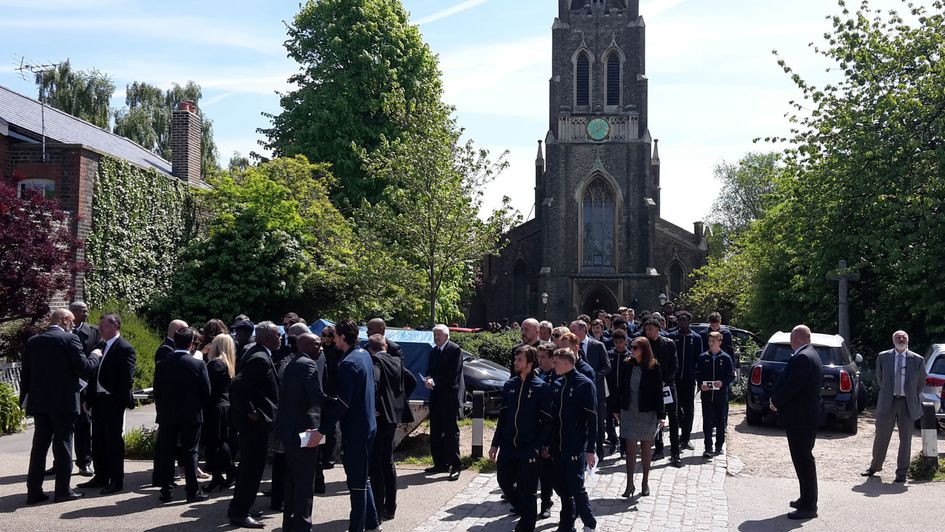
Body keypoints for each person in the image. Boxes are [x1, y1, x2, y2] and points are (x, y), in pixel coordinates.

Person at [306, 319, 381, 532]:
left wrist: (321, 431)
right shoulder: (364, 354)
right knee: (363, 478)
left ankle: (357, 528)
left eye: (335, 335)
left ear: (343, 337)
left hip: (356, 430)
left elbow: (343, 403)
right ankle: (372, 523)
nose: (333, 339)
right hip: (368, 425)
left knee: (356, 483)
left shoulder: (348, 363)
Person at [21, 309, 100, 504]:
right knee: (63, 445)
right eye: (71, 321)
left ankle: (34, 492)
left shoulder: (34, 342)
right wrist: (95, 356)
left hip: (40, 403)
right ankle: (63, 491)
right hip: (64, 403)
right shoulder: (69, 339)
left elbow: (26, 374)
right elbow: (84, 366)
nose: (73, 325)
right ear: (64, 320)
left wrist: (24, 400)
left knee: (39, 448)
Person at [490, 345, 552, 532]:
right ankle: (522, 508)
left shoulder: (541, 388)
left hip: (529, 447)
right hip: (508, 445)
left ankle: (526, 525)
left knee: (529, 489)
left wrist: (537, 446)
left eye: (519, 360)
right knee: (504, 481)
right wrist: (495, 444)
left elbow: (547, 422)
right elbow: (503, 418)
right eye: (515, 359)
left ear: (530, 363)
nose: (515, 363)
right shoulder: (510, 385)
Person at [228, 322, 280, 529]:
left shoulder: (259, 353)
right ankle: (239, 512)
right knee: (252, 469)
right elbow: (238, 386)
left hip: (255, 425)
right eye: (277, 335)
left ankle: (243, 506)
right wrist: (252, 413)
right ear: (267, 338)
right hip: (254, 426)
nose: (280, 338)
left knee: (250, 467)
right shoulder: (259, 357)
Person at [77, 313, 136, 495]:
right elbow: (94, 375)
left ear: (115, 325)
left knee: (113, 442)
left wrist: (119, 401)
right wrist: (89, 399)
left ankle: (116, 480)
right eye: (99, 324)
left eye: (103, 325)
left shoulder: (124, 347)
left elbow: (126, 379)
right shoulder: (101, 346)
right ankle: (101, 476)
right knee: (98, 440)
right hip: (99, 400)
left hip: (113, 401)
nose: (100, 328)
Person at [770, 325, 823, 520]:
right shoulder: (811, 353)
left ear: (794, 339)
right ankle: (805, 498)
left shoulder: (803, 357)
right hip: (804, 416)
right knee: (802, 459)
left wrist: (776, 401)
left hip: (801, 418)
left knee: (803, 460)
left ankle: (809, 506)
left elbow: (793, 386)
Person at [275, 333, 326, 532]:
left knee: (292, 480)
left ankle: (290, 523)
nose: (320, 349)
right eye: (317, 345)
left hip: (290, 430)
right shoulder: (308, 364)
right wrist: (339, 404)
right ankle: (303, 525)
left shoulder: (292, 362)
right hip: (304, 430)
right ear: (304, 345)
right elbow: (316, 397)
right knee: (305, 481)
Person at [153, 327, 211, 503]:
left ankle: (166, 490)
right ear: (191, 344)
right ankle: (192, 491)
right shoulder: (198, 364)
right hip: (191, 415)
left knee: (167, 452)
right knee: (191, 452)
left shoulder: (162, 364)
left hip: (167, 415)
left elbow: (157, 392)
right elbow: (206, 392)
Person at [862, 330, 927, 483]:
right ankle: (874, 467)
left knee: (906, 439)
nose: (901, 339)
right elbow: (880, 378)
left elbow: (921, 382)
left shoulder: (918, 359)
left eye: (904, 337)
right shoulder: (883, 356)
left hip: (907, 403)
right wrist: (888, 392)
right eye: (898, 337)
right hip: (887, 402)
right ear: (893, 340)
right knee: (881, 437)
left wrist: (910, 395)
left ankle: (901, 473)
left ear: (908, 340)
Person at [548, 348, 598, 532]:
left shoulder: (584, 384)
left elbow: (592, 419)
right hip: (557, 444)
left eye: (556, 362)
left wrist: (590, 449)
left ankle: (589, 522)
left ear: (566, 363)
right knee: (560, 484)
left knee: (576, 486)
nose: (553, 365)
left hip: (575, 444)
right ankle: (568, 521)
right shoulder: (557, 383)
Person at [368, 334, 416, 522]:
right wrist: (398, 402)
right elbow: (411, 381)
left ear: (370, 348)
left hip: (380, 418)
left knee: (377, 464)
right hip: (393, 418)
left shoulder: (375, 361)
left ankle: (378, 509)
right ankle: (390, 507)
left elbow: (375, 383)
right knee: (388, 461)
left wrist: (374, 406)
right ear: (385, 346)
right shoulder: (396, 361)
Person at [616, 336, 664, 498]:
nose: (632, 350)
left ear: (644, 349)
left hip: (647, 412)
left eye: (635, 347)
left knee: (646, 449)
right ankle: (629, 484)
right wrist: (616, 408)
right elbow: (620, 387)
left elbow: (658, 392)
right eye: (631, 347)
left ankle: (645, 482)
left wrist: (661, 415)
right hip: (629, 411)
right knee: (630, 449)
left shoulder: (654, 366)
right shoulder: (627, 364)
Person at [423, 324, 464, 480]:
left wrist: (435, 381)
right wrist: (428, 378)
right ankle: (440, 463)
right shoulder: (434, 351)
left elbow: (453, 374)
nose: (436, 338)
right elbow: (430, 369)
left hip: (449, 396)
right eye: (434, 335)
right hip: (436, 396)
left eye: (438, 335)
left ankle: (456, 464)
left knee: (450, 431)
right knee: (435, 431)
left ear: (446, 336)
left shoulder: (454, 350)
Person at [570, 320, 610, 459]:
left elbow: (607, 366)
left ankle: (599, 449)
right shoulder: (570, 348)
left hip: (597, 390)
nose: (571, 332)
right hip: (579, 391)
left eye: (573, 330)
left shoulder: (597, 345)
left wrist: (593, 376)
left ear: (583, 330)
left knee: (598, 421)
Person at [643, 318, 681, 467]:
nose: (647, 332)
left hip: (668, 386)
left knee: (673, 417)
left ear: (657, 329)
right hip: (652, 387)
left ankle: (675, 451)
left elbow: (674, 365)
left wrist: (665, 381)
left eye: (650, 329)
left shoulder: (669, 343)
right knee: (656, 418)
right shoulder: (645, 344)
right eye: (646, 329)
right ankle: (658, 448)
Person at [203, 333, 236, 492]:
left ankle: (223, 474)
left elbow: (207, 386)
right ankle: (226, 474)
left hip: (215, 406)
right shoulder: (227, 363)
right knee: (220, 441)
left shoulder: (215, 363)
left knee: (214, 442)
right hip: (224, 405)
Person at [69, 301, 99, 478]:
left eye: (87, 310)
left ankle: (84, 462)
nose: (86, 313)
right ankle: (60, 462)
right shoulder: (64, 330)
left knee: (83, 424)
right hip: (65, 385)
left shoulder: (93, 331)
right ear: (73, 312)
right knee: (61, 426)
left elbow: (99, 351)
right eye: (83, 311)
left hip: (85, 384)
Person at [694, 332, 735, 458]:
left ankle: (719, 446)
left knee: (720, 421)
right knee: (707, 421)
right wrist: (701, 384)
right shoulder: (703, 357)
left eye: (714, 341)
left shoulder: (726, 358)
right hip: (707, 395)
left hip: (720, 396)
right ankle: (708, 447)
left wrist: (722, 383)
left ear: (720, 342)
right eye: (710, 341)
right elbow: (698, 373)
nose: (711, 343)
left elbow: (731, 376)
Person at [672, 311, 704, 450]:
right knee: (676, 408)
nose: (682, 322)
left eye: (684, 320)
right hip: (675, 379)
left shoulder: (696, 338)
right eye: (679, 320)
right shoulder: (672, 336)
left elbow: (699, 359)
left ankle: (686, 438)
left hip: (689, 379)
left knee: (689, 409)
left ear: (689, 321)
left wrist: (698, 377)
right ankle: (678, 433)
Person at [534, 342, 557, 520]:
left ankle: (546, 502)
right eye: (538, 357)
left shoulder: (556, 376)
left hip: (551, 427)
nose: (540, 361)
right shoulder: (536, 374)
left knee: (547, 470)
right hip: (535, 426)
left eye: (543, 357)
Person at [605, 329, 631, 457]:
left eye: (620, 342)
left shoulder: (630, 356)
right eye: (616, 342)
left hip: (624, 393)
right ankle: (613, 441)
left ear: (625, 341)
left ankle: (624, 447)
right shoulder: (609, 355)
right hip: (610, 392)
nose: (618, 345)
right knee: (609, 418)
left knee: (623, 420)